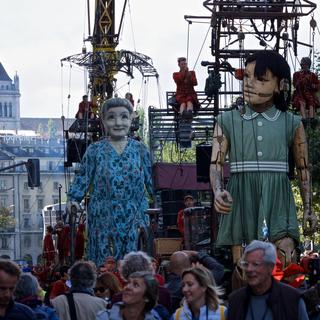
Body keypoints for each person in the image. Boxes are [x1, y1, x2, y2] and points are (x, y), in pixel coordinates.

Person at [210, 50, 317, 264]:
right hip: (241, 194)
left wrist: (308, 208)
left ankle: (284, 296)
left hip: (279, 194)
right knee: (244, 264)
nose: (249, 83)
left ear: (280, 85)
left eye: (261, 78)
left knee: (287, 256)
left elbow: (303, 168)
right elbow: (216, 162)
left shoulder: (292, 122)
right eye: (246, 76)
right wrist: (218, 190)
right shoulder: (227, 120)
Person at [67, 97, 153, 264]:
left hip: (135, 216)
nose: (118, 122)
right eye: (111, 117)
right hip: (102, 217)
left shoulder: (140, 150)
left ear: (131, 119)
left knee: (134, 264)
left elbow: (152, 182)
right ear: (103, 121)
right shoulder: (94, 150)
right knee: (105, 262)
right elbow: (83, 177)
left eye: (124, 117)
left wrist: (159, 202)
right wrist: (73, 199)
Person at [228, 240, 309, 320]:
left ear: (270, 267)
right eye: (246, 264)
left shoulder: (293, 300)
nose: (249, 269)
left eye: (255, 264)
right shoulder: (235, 301)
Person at [96, 271, 160, 320]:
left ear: (147, 297)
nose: (127, 287)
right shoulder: (103, 317)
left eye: (135, 285)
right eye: (128, 283)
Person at [292, 56, 320, 121]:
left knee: (312, 102)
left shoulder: (313, 75)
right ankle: (304, 120)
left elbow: (318, 85)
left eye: (305, 64)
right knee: (301, 102)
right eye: (302, 64)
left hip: (310, 94)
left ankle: (312, 119)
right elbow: (295, 85)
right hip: (300, 94)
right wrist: (301, 79)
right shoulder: (296, 74)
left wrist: (313, 86)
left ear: (308, 65)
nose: (303, 65)